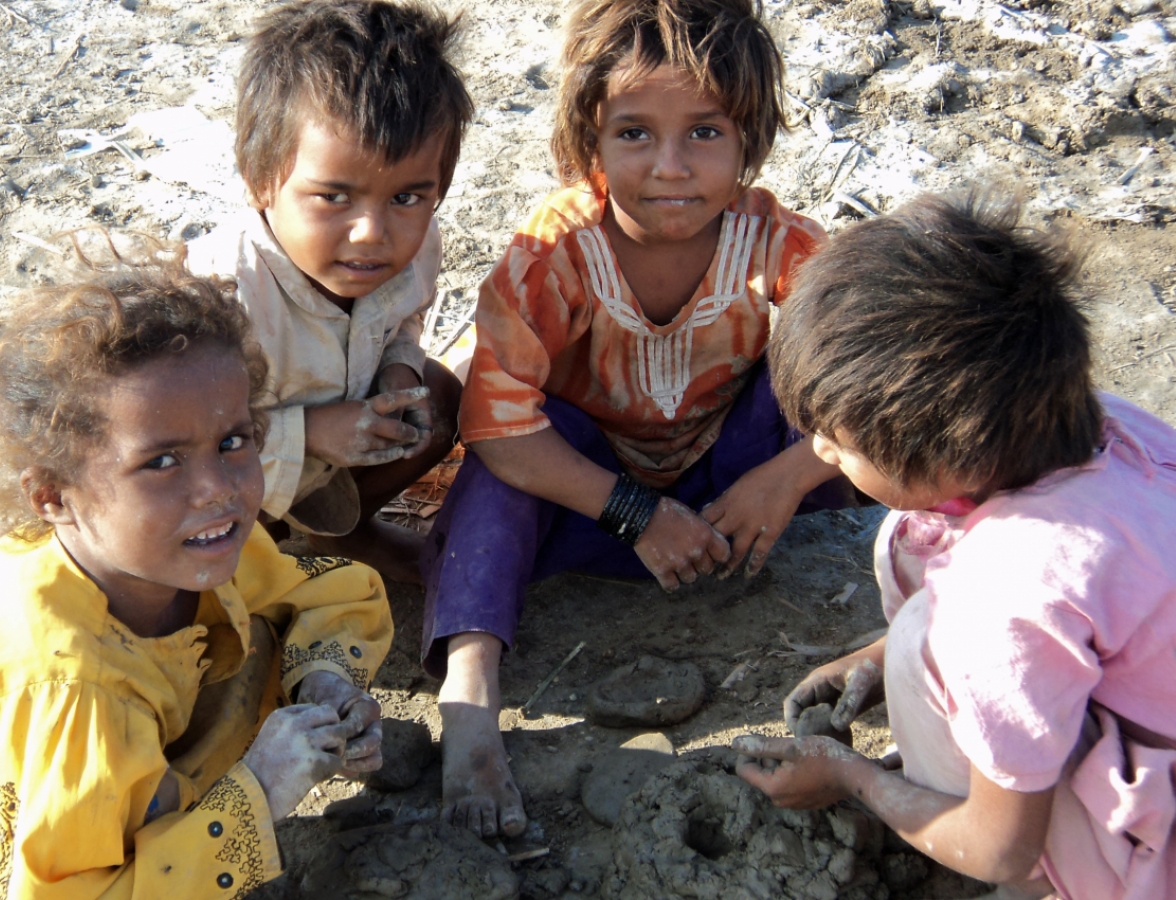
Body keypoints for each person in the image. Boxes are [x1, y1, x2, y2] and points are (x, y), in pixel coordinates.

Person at [422, 0, 854, 839]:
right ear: (590, 139)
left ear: (750, 138)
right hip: (589, 499)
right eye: (633, 134)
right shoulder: (555, 255)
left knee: (842, 376)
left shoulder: (778, 245)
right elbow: (501, 423)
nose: (669, 166)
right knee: (501, 450)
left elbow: (890, 373)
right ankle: (470, 695)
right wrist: (636, 513)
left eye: (704, 132)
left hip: (732, 497)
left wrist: (787, 475)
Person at [0, 244, 394, 900]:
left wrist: (324, 684)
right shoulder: (67, 692)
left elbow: (327, 588)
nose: (216, 489)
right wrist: (259, 794)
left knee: (257, 638)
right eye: (163, 462)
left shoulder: (177, 551)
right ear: (53, 497)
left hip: (90, 762)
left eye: (233, 442)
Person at [734, 188, 1176, 900]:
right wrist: (868, 658)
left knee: (922, 639)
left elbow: (999, 848)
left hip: (1150, 854)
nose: (817, 448)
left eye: (836, 441)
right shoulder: (1110, 428)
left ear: (954, 464)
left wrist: (856, 777)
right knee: (907, 557)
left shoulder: (1001, 590)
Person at [186, 0, 473, 584]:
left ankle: (344, 531)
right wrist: (310, 433)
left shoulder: (416, 246)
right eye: (334, 198)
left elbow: (407, 320)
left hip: (336, 460)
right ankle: (252, 567)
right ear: (259, 180)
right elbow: (186, 445)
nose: (372, 233)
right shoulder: (220, 297)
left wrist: (400, 372)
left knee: (438, 400)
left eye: (407, 198)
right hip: (235, 477)